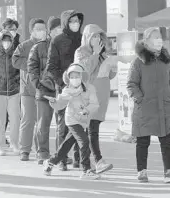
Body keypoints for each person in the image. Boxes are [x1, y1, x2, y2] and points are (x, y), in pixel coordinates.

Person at [127, 27, 170, 183]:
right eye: (154, 37)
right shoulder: (138, 62)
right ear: (146, 42)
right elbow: (131, 84)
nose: (159, 40)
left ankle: (169, 171)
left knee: (167, 140)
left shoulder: (165, 60)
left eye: (160, 36)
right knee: (143, 141)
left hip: (164, 107)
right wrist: (141, 99)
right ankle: (142, 171)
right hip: (145, 108)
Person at [42, 10, 84, 170]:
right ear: (66, 22)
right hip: (65, 88)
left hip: (81, 88)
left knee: (80, 123)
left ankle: (79, 158)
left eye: (78, 21)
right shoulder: (58, 41)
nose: (76, 24)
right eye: (72, 21)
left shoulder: (82, 39)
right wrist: (64, 81)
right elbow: (51, 67)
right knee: (64, 125)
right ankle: (61, 159)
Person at [42, 64, 100, 180]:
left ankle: (50, 162)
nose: (75, 79)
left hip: (83, 120)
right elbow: (60, 104)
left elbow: (95, 104)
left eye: (77, 75)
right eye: (72, 76)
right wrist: (54, 102)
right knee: (84, 141)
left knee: (67, 145)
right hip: (72, 120)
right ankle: (86, 169)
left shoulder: (90, 88)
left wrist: (86, 110)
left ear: (82, 76)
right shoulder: (67, 90)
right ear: (68, 78)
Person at [74, 24, 115, 174]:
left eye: (99, 36)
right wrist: (95, 54)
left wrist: (113, 67)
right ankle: (98, 160)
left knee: (83, 129)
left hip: (102, 96)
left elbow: (109, 75)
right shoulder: (80, 52)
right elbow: (85, 71)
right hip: (87, 97)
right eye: (94, 36)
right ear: (88, 37)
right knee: (91, 129)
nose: (97, 39)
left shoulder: (103, 53)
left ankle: (76, 159)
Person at [27, 16, 61, 163]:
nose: (58, 32)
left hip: (62, 90)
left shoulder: (67, 46)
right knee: (43, 123)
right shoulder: (39, 47)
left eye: (61, 29)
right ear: (50, 31)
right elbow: (31, 68)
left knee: (63, 125)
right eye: (56, 29)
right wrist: (38, 85)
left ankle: (61, 154)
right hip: (44, 90)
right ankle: (42, 153)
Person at [13, 18, 47, 162]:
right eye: (38, 29)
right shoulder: (24, 46)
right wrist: (31, 65)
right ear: (31, 31)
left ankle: (40, 150)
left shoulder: (48, 45)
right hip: (27, 90)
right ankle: (24, 150)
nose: (41, 31)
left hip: (43, 89)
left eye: (43, 29)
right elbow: (15, 61)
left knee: (41, 122)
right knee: (27, 121)